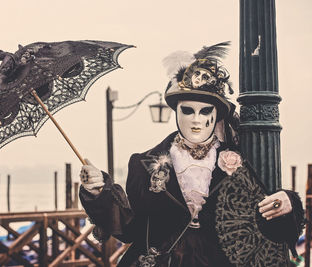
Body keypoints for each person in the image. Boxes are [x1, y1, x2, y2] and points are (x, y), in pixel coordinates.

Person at [79, 42, 304, 267]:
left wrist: (286, 202)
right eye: (188, 110)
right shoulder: (143, 164)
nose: (196, 120)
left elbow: (258, 228)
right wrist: (99, 192)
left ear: (217, 115)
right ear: (176, 111)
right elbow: (131, 229)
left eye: (205, 111)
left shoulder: (238, 162)